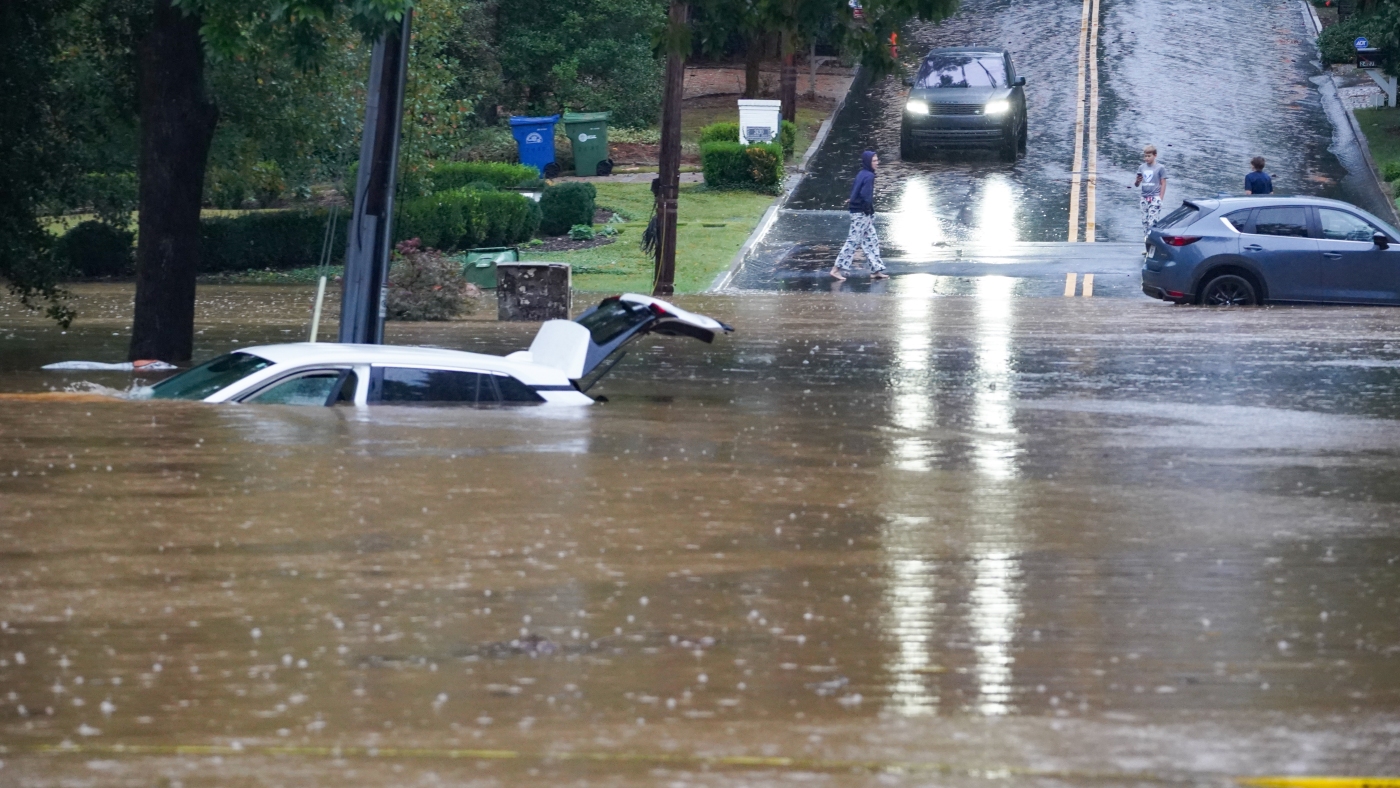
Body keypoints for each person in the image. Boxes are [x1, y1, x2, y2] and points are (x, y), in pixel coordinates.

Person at [830, 150, 889, 281]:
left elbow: (855, 190)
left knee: (871, 240)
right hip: (861, 214)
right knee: (853, 241)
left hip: (859, 212)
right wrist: (868, 210)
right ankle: (836, 269)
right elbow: (865, 195)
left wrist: (852, 200)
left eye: (877, 160)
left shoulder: (862, 174)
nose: (877, 163)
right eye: (874, 161)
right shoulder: (869, 176)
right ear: (868, 162)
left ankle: (876, 269)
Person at [1133, 144, 1168, 236]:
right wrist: (1137, 181)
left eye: (1149, 156)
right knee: (1145, 222)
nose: (1146, 158)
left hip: (1155, 197)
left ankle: (1153, 242)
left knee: (1152, 222)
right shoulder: (1142, 167)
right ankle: (1147, 244)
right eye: (1145, 156)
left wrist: (1160, 198)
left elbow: (1163, 182)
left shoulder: (1160, 168)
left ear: (1155, 155)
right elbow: (1136, 184)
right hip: (1144, 198)